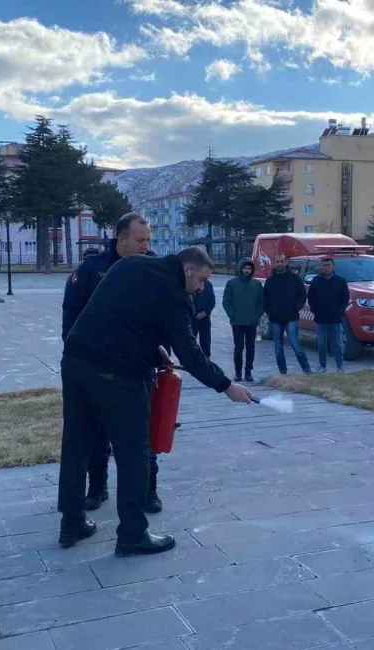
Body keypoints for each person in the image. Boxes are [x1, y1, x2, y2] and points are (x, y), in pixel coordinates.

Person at [59, 246, 253, 556]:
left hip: (76, 362)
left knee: (75, 447)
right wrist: (226, 385)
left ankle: (71, 524)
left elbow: (123, 317)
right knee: (134, 451)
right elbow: (191, 353)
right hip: (117, 376)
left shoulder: (132, 264)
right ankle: (133, 534)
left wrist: (153, 351)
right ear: (189, 269)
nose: (201, 288)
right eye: (201, 280)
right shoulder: (175, 296)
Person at [62, 213, 159, 513]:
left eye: (148, 241)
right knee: (96, 435)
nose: (146, 246)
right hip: (97, 370)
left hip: (138, 368)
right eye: (140, 240)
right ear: (121, 239)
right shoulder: (92, 271)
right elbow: (71, 319)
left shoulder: (153, 269)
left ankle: (148, 490)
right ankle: (98, 487)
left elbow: (160, 316)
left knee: (143, 434)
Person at [263, 253, 311, 375]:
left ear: (286, 262)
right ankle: (283, 371)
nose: (279, 263)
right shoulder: (270, 280)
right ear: (275, 262)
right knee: (278, 347)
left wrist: (296, 307)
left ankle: (306, 369)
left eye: (281, 261)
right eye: (277, 261)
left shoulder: (294, 278)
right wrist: (270, 310)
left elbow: (302, 295)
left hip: (291, 317)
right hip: (275, 318)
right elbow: (265, 298)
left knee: (294, 344)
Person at [222, 258, 264, 382]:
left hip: (251, 322)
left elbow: (261, 302)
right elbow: (226, 301)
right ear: (240, 269)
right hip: (237, 322)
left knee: (251, 348)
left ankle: (248, 371)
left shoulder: (256, 284)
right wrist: (232, 315)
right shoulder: (232, 283)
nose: (247, 270)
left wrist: (256, 316)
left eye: (249, 268)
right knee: (238, 348)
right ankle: (238, 372)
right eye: (245, 268)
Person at [307, 257, 350, 373]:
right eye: (324, 265)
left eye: (328, 265)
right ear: (321, 267)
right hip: (321, 318)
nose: (326, 267)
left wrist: (340, 310)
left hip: (336, 318)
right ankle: (322, 366)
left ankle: (340, 367)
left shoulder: (340, 281)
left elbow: (345, 297)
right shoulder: (316, 281)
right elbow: (311, 297)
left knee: (338, 344)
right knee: (321, 344)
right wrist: (315, 309)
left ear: (333, 267)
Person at [191, 278, 215, 359]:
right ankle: (191, 360)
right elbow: (187, 301)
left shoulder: (208, 285)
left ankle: (206, 361)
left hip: (205, 318)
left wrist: (205, 312)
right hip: (192, 319)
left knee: (206, 342)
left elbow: (212, 301)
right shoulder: (190, 284)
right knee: (190, 341)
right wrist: (195, 314)